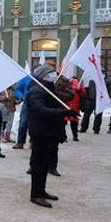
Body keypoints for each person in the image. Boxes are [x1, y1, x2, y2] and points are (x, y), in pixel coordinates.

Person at [26, 65, 78, 208]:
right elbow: (40, 110)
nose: (54, 74)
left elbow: (64, 98)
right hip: (41, 133)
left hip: (50, 132)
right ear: (43, 76)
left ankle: (41, 191)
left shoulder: (50, 89)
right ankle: (35, 195)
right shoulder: (36, 91)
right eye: (51, 73)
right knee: (38, 165)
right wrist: (64, 113)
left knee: (45, 165)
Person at [12, 75, 33, 149]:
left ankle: (33, 141)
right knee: (23, 123)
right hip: (26, 104)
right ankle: (20, 142)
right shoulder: (25, 77)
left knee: (34, 124)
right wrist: (22, 97)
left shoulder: (41, 78)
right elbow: (17, 90)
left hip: (38, 103)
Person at [67, 77, 85, 142]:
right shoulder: (79, 85)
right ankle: (75, 136)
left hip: (66, 104)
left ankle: (63, 135)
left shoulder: (66, 83)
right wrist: (79, 90)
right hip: (75, 105)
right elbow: (83, 94)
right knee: (74, 122)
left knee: (63, 121)